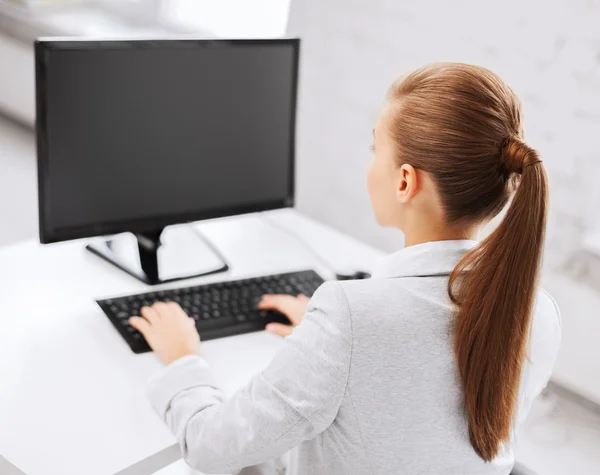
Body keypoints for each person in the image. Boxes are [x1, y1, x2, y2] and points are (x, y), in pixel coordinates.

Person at [129, 63, 561, 475]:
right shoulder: (536, 311)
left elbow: (210, 447)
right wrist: (328, 342)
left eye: (377, 149)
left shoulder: (353, 317)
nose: (371, 164)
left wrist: (182, 357)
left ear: (404, 181)